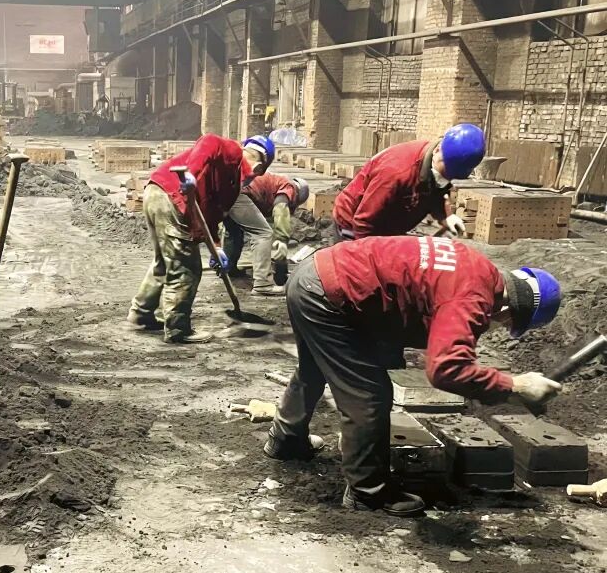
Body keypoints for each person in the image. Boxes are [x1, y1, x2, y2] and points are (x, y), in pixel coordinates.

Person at [263, 235, 562, 517]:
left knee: (314, 368)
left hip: (314, 275)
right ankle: (368, 492)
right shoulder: (473, 297)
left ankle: (286, 439)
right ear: (510, 309)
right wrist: (514, 385)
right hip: (329, 297)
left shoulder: (476, 267)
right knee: (369, 394)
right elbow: (446, 369)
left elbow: (411, 295)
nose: (500, 327)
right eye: (508, 323)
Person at [127, 134, 273, 344]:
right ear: (259, 167)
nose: (251, 179)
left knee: (165, 261)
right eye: (255, 174)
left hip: (157, 192)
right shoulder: (232, 152)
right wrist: (191, 174)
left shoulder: (232, 186)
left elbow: (211, 215)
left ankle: (141, 314)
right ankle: (178, 329)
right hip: (171, 196)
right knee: (187, 267)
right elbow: (208, 141)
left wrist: (216, 247)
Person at [332, 124, 486, 242]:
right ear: (437, 150)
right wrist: (370, 259)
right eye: (444, 173)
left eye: (449, 177)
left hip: (388, 226)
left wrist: (445, 216)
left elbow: (436, 192)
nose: (444, 180)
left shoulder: (436, 165)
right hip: (353, 226)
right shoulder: (395, 172)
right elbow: (363, 223)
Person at [223, 172, 310, 296]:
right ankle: (262, 284)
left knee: (234, 233)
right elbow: (280, 208)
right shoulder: (289, 187)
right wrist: (282, 239)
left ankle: (228, 269)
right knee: (263, 234)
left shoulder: (275, 183)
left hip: (228, 192)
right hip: (239, 194)